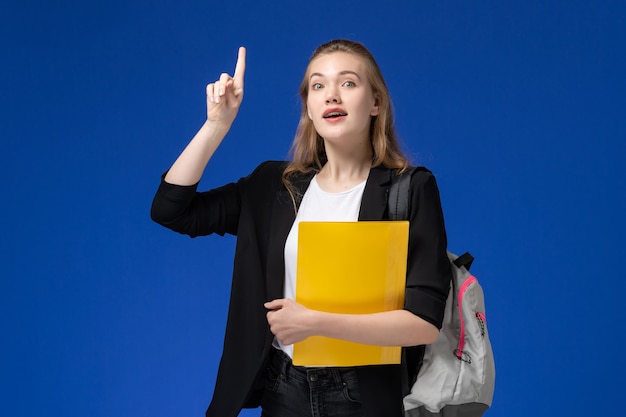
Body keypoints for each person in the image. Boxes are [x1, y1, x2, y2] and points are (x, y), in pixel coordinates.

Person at [151, 39, 452, 417]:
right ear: (308, 108)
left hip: (365, 392)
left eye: (348, 83)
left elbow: (424, 323)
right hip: (285, 388)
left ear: (375, 102)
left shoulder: (410, 188)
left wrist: (315, 323)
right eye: (318, 85)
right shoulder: (274, 186)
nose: (331, 96)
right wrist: (216, 125)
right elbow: (171, 211)